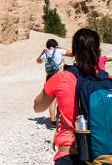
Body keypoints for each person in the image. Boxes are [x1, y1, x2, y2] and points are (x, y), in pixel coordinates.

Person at [33, 29, 101, 165]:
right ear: (98, 50)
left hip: (70, 154)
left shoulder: (62, 77)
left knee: (54, 100)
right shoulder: (110, 81)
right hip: (104, 152)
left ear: (76, 49)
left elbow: (37, 107)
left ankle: (52, 119)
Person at [36, 39, 72, 127]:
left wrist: (42, 52)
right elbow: (73, 53)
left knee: (51, 99)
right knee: (63, 97)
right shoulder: (59, 51)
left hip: (49, 77)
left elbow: (38, 61)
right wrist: (61, 47)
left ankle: (52, 120)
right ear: (56, 45)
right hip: (60, 77)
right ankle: (64, 118)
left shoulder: (45, 54)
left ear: (47, 46)